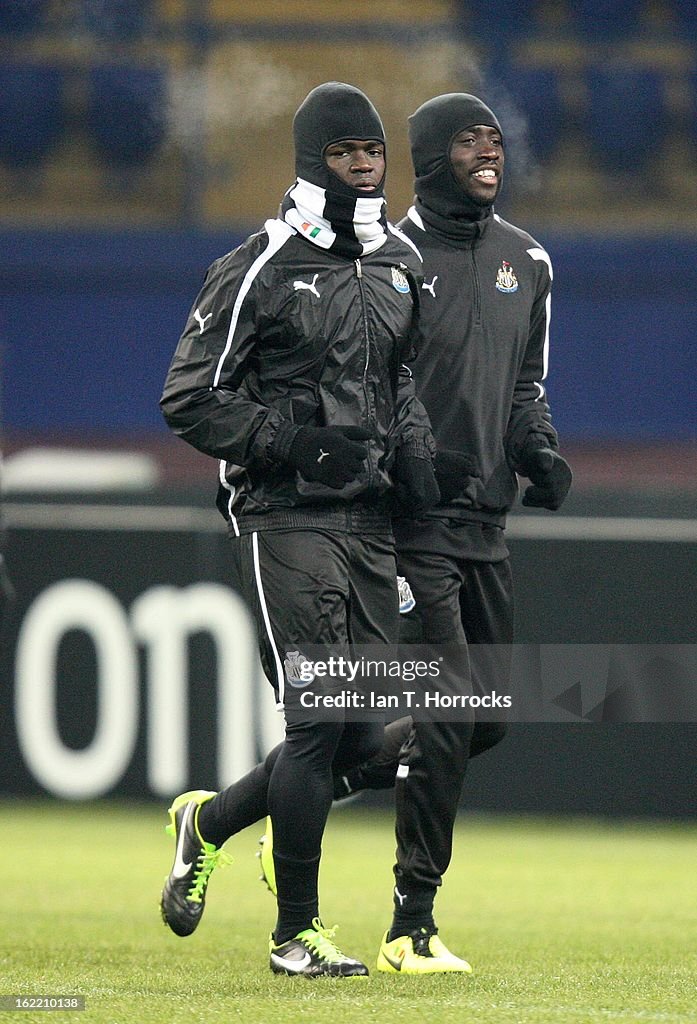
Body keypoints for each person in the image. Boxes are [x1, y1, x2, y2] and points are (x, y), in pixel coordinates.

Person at [158, 81, 440, 978]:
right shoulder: (260, 264)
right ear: (311, 159)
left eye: (373, 154)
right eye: (344, 154)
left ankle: (207, 824)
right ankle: (295, 938)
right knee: (319, 724)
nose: (363, 167)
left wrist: (418, 458)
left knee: (362, 740)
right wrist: (294, 445)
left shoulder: (398, 261)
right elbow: (187, 397)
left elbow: (396, 379)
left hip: (367, 520)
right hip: (282, 513)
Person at [327, 91, 573, 974]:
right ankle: (410, 925)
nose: (490, 149)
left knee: (486, 719)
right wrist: (404, 467)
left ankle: (247, 806)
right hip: (402, 521)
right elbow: (356, 386)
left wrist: (538, 451)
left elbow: (522, 388)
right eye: (470, 138)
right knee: (447, 707)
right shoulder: (381, 260)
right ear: (430, 156)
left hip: (483, 524)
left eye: (496, 138)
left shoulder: (528, 260)